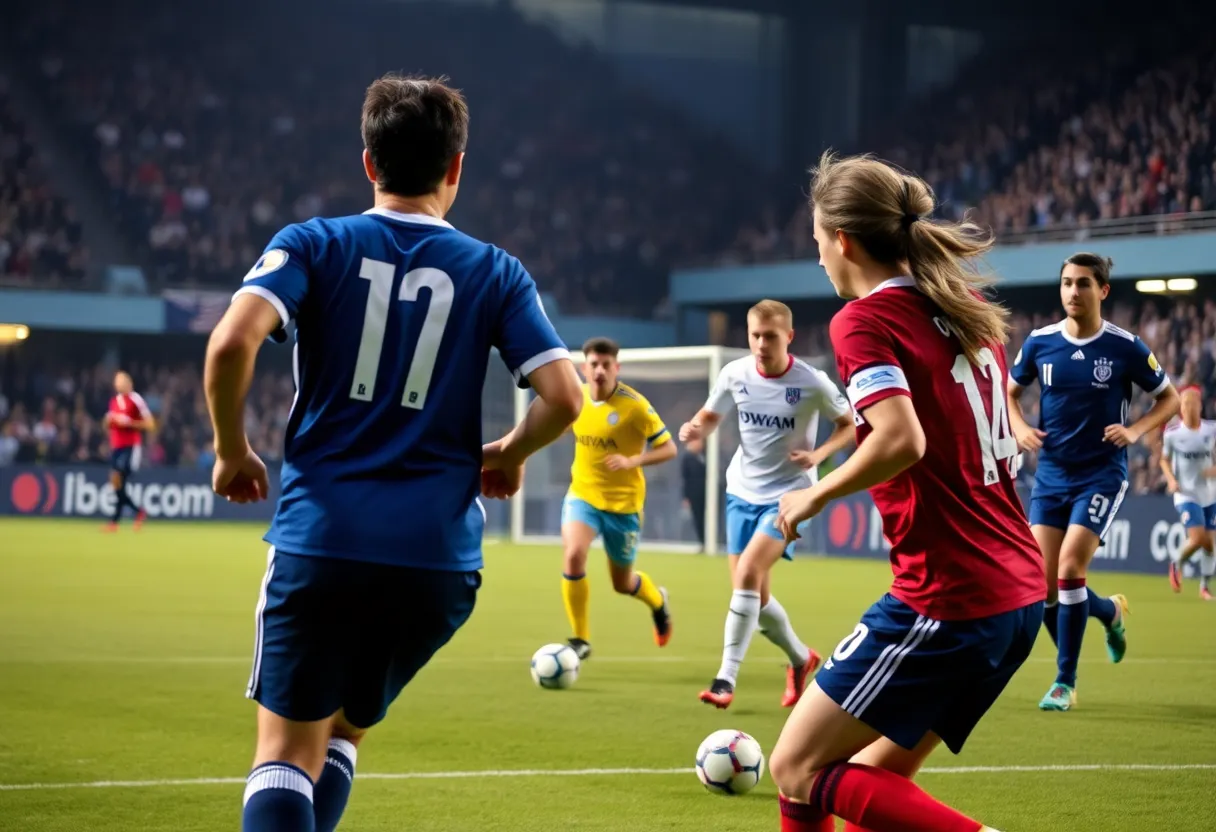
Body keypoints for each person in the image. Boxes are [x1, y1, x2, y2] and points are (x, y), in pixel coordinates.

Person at [203, 74, 582, 832]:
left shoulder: (311, 243)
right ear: (457, 168)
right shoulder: (497, 270)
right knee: (343, 733)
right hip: (436, 559)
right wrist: (508, 450)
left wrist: (231, 450)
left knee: (283, 751)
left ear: (369, 163)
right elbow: (566, 398)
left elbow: (229, 344)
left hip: (326, 538)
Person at [769, 152, 1044, 832]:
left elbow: (901, 439)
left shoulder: (863, 322)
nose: (819, 261)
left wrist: (814, 495)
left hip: (948, 597)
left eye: (816, 243)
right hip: (1014, 597)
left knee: (794, 769)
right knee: (863, 785)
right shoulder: (964, 307)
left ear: (843, 240)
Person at [1008, 253, 1179, 711]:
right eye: (1066, 283)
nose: (1072, 292)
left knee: (1068, 570)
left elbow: (1170, 399)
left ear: (1102, 291)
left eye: (1083, 284)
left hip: (1101, 475)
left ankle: (1065, 681)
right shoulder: (1041, 343)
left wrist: (1137, 431)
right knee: (1041, 586)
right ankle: (1109, 611)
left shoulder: (1126, 347)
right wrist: (1020, 427)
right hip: (1051, 475)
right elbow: (1011, 391)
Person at [680, 300, 854, 710]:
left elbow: (849, 426)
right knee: (753, 597)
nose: (761, 344)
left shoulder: (812, 383)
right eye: (755, 335)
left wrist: (819, 456)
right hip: (741, 489)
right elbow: (710, 414)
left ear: (788, 337)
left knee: (748, 573)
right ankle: (800, 658)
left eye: (770, 336)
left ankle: (725, 678)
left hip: (790, 496)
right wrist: (695, 428)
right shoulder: (734, 374)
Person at [561, 337, 676, 660]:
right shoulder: (575, 398)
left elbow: (668, 448)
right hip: (583, 495)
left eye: (605, 365)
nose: (599, 371)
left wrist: (632, 461)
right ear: (584, 369)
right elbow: (560, 426)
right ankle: (580, 639)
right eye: (593, 365)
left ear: (616, 368)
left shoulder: (635, 406)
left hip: (623, 507)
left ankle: (657, 602)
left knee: (622, 583)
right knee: (573, 555)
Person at [1160, 386, 1216, 600]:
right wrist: (1171, 480)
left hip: (1210, 493)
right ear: (1180, 407)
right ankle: (1176, 563)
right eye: (1184, 404)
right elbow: (1163, 459)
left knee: (1210, 545)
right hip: (1185, 493)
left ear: (1200, 406)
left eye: (1192, 403)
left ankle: (1204, 586)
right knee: (1198, 537)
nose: (1188, 408)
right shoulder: (1173, 434)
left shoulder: (1211, 430)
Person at [101, 371, 155, 532]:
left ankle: (116, 521)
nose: (119, 384)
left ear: (129, 383)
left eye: (122, 380)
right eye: (117, 381)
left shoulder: (135, 399)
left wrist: (129, 422)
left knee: (117, 478)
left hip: (131, 446)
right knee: (118, 484)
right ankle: (136, 512)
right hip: (116, 447)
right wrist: (108, 422)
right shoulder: (114, 402)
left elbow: (150, 424)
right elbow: (107, 425)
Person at [680, 434, 708, 551]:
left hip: (707, 494)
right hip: (695, 495)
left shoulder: (705, 456)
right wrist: (686, 497)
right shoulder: (687, 458)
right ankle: (703, 542)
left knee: (707, 518)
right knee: (698, 518)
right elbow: (685, 479)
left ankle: (710, 542)